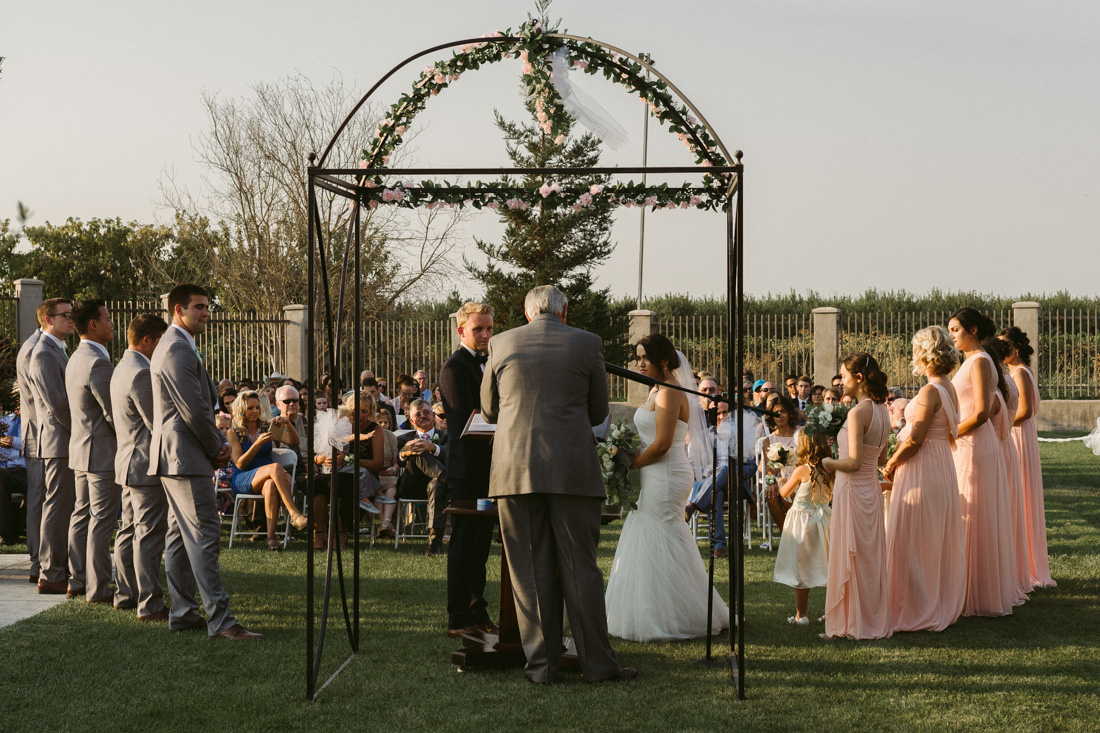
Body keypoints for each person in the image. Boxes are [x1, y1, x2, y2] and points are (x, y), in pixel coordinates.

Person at [481, 285, 633, 684]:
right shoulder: (588, 343)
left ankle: (542, 668)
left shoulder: (500, 342)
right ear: (565, 312)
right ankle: (598, 666)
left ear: (527, 313)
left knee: (529, 570)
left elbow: (488, 409)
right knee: (581, 568)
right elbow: (599, 410)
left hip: (514, 470)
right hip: (572, 469)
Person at [150, 283, 260, 639]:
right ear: (178, 310)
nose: (205, 313)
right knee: (204, 535)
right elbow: (194, 409)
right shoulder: (176, 349)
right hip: (185, 454)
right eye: (198, 307)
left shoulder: (178, 345)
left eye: (207, 307)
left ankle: (182, 613)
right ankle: (222, 621)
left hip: (179, 455)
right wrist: (217, 446)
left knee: (181, 539)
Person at [605, 332, 729, 641]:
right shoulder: (657, 390)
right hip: (654, 470)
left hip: (667, 472)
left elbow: (661, 445)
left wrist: (629, 463)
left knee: (660, 532)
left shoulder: (669, 392)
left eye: (645, 357)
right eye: (637, 357)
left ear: (663, 360)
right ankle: (660, 606)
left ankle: (675, 613)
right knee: (654, 533)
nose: (639, 363)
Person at [881, 326, 965, 633]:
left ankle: (917, 605)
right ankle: (934, 599)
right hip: (941, 463)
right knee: (932, 537)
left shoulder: (930, 391)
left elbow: (916, 439)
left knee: (914, 539)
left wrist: (890, 463)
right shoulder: (949, 386)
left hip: (924, 466)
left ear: (924, 353)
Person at [948, 308, 1017, 617]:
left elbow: (981, 412)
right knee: (967, 512)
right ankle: (965, 584)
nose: (951, 336)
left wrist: (950, 434)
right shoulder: (972, 360)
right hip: (970, 442)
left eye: (955, 330)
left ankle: (975, 591)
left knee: (973, 512)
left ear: (972, 330)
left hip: (972, 444)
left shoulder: (978, 361)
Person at [821, 352, 892, 640]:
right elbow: (880, 458)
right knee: (868, 557)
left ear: (859, 378)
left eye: (844, 376)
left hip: (851, 489)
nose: (840, 382)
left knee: (849, 554)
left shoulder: (858, 412)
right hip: (870, 491)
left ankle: (849, 623)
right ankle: (869, 619)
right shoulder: (882, 411)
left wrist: (829, 463)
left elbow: (853, 463)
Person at [438, 301, 498, 637]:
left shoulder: (489, 363)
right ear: (462, 330)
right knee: (463, 545)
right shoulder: (454, 367)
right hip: (465, 470)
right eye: (479, 329)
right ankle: (457, 618)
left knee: (480, 546)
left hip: (489, 471)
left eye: (489, 328)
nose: (486, 335)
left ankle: (477, 610)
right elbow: (466, 420)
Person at [111, 314, 171, 621]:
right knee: (148, 534)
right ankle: (149, 604)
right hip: (144, 465)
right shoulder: (141, 372)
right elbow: (155, 422)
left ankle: (125, 594)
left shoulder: (122, 367)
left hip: (127, 461)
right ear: (146, 340)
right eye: (160, 341)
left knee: (129, 530)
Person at [65, 300, 121, 606]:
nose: (113, 323)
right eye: (108, 318)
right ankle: (98, 589)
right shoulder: (98, 362)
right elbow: (113, 412)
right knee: (101, 520)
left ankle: (77, 580)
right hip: (100, 452)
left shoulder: (75, 357)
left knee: (82, 517)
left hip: (81, 449)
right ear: (93, 325)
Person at [999, 326, 1056, 588]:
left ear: (1016, 348)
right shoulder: (1018, 371)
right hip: (1022, 435)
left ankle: (1026, 566)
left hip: (1019, 435)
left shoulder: (1019, 372)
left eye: (1005, 346)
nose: (1001, 351)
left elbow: (1027, 409)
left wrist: (1003, 423)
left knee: (1020, 495)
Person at [28, 297, 77, 596]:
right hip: (60, 440)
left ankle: (60, 568)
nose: (72, 319)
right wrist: (84, 430)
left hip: (64, 440)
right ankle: (50, 572)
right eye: (66, 315)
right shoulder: (43, 353)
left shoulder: (55, 349)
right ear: (48, 319)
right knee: (57, 508)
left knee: (63, 507)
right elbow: (58, 403)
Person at [226, 390, 307, 550]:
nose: (255, 411)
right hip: (243, 477)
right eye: (250, 408)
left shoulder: (265, 427)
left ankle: (271, 538)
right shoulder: (233, 432)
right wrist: (257, 444)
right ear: (241, 410)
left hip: (267, 476)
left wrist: (286, 423)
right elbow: (240, 464)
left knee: (270, 485)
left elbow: (294, 441)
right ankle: (293, 513)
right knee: (275, 467)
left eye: (257, 407)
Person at [984, 336, 1032, 603]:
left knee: (997, 512)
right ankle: (1008, 572)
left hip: (996, 447)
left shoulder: (998, 388)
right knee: (1007, 511)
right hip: (1005, 446)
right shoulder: (1008, 381)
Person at [685, 395, 763, 559]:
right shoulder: (701, 436)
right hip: (709, 483)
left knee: (726, 469)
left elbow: (752, 467)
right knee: (716, 494)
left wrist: (733, 472)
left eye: (725, 412)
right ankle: (718, 546)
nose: (721, 417)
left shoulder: (743, 436)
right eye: (717, 413)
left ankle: (693, 505)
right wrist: (711, 473)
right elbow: (692, 466)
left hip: (735, 486)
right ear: (710, 415)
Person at [772, 432, 833, 625]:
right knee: (826, 565)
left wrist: (781, 482)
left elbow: (784, 493)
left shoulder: (802, 470)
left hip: (802, 521)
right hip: (823, 520)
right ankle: (832, 611)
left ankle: (802, 615)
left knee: (802, 566)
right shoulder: (830, 469)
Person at [396, 398, 448, 555]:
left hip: (438, 489)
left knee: (436, 486)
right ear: (411, 420)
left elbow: (453, 455)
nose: (423, 416)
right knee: (416, 447)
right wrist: (405, 452)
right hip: (412, 486)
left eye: (426, 412)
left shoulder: (447, 436)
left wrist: (433, 447)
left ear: (433, 416)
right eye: (418, 414)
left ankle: (434, 543)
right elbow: (398, 461)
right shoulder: (403, 438)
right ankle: (446, 477)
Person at [14, 315, 44, 584]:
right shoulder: (36, 349)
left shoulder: (41, 345)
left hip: (42, 435)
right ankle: (39, 561)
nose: (72, 321)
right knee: (39, 501)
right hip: (40, 435)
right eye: (65, 315)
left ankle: (43, 561)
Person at [372, 408, 400, 537]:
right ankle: (386, 524)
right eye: (380, 422)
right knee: (378, 490)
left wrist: (393, 469)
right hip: (374, 474)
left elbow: (396, 461)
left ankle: (385, 523)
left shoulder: (391, 436)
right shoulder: (370, 436)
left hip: (389, 475)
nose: (383, 425)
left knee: (391, 489)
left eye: (385, 422)